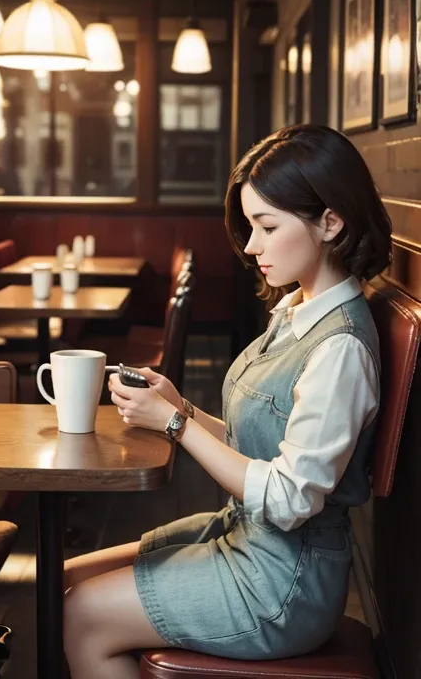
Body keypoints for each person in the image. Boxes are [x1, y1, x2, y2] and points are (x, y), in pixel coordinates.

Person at [64, 124, 392, 679]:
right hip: (245, 540)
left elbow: (289, 497)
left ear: (331, 222)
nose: (250, 246)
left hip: (284, 583)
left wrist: (173, 425)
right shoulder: (296, 310)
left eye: (267, 227)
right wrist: (181, 409)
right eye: (249, 227)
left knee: (81, 612)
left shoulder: (341, 348)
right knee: (64, 577)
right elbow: (257, 443)